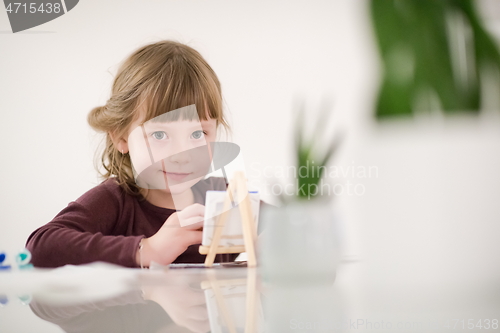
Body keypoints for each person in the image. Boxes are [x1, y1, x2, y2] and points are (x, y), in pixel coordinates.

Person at [26, 40, 248, 268]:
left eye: (198, 134)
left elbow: (285, 223)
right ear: (121, 138)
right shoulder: (115, 202)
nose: (182, 156)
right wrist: (146, 250)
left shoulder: (226, 197)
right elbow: (40, 247)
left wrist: (271, 244)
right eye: (160, 135)